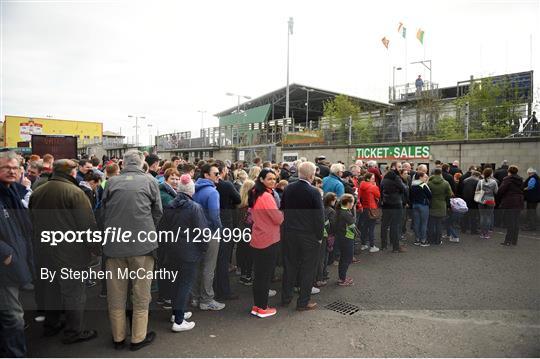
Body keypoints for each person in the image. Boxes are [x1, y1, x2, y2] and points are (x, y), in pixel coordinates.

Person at [29, 159, 99, 345]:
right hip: (71, 252)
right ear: (72, 172)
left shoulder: (38, 191)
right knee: (74, 292)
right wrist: (95, 248)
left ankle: (51, 325)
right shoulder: (75, 193)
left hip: (44, 250)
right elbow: (87, 226)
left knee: (51, 289)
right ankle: (73, 331)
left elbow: (31, 220)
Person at [101, 150, 163, 351]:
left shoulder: (111, 182)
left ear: (123, 163)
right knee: (141, 293)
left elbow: (103, 211)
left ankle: (118, 338)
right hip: (142, 246)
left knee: (116, 294)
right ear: (142, 163)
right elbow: (158, 212)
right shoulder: (150, 181)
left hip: (114, 245)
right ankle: (138, 338)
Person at [158, 174, 207, 332]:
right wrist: (203, 249)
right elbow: (202, 232)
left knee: (175, 283)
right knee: (185, 285)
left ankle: (176, 313)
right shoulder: (195, 207)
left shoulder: (170, 205)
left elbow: (161, 230)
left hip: (171, 251)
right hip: (189, 252)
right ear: (191, 191)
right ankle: (179, 321)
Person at [0, 151, 34, 357]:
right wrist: (5, 253)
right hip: (4, 266)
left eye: (15, 168)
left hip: (14, 263)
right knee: (13, 317)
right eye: (6, 168)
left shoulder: (12, 191)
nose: (11, 171)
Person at [281, 161, 324, 311]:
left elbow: (283, 208)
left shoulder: (288, 188)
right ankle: (303, 302)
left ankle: (285, 297)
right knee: (308, 269)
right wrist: (319, 236)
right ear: (312, 175)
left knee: (290, 265)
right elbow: (319, 217)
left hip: (290, 232)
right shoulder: (314, 192)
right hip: (308, 235)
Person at [248, 168, 283, 318]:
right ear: (261, 179)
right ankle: (262, 307)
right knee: (264, 275)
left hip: (258, 237)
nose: (273, 181)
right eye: (269, 179)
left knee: (259, 275)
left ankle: (257, 306)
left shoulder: (256, 193)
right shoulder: (266, 197)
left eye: (274, 179)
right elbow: (278, 219)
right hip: (268, 239)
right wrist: (282, 213)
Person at [191, 164, 225, 311]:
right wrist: (220, 230)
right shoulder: (212, 192)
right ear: (206, 175)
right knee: (209, 266)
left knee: (197, 265)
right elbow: (214, 215)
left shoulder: (193, 189)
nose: (219, 176)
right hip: (209, 232)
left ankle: (195, 297)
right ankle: (207, 299)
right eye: (216, 173)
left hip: (195, 232)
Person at [214, 160, 241, 301]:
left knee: (211, 259)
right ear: (223, 171)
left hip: (210, 223)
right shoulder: (226, 185)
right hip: (224, 221)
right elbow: (238, 199)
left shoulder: (204, 185)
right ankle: (223, 291)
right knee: (223, 259)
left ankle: (212, 288)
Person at [380, 162, 406, 253]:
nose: (400, 168)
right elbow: (403, 188)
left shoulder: (385, 177)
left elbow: (381, 189)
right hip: (396, 203)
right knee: (395, 225)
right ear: (394, 167)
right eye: (399, 166)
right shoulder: (396, 177)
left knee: (384, 225)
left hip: (386, 203)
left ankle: (384, 245)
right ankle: (395, 246)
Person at [497, 166, 524, 246]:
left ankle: (508, 240)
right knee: (516, 221)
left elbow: (501, 190)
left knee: (510, 222)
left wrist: (499, 198)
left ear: (509, 171)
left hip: (510, 202)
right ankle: (514, 240)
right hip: (519, 201)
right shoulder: (520, 179)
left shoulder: (507, 179)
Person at [334, 194, 356, 286]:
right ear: (348, 203)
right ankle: (342, 279)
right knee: (346, 258)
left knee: (344, 258)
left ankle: (342, 277)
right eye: (352, 203)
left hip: (341, 237)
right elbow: (352, 227)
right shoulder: (346, 213)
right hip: (347, 238)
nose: (353, 205)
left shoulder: (340, 210)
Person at [237, 180, 255, 286]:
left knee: (242, 252)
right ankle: (248, 276)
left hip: (239, 231)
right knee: (249, 255)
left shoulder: (239, 203)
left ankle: (243, 275)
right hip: (249, 230)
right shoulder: (251, 205)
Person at [316, 192, 336, 287]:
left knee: (322, 257)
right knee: (323, 257)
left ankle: (322, 274)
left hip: (321, 236)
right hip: (326, 237)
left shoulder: (322, 209)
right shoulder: (331, 211)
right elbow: (332, 225)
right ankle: (320, 277)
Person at [427, 168, 453, 245]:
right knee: (439, 224)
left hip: (431, 204)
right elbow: (450, 194)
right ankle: (438, 240)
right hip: (442, 204)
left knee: (431, 223)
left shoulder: (429, 183)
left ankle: (431, 239)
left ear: (434, 173)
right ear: (441, 173)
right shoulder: (445, 183)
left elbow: (427, 193)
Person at [358, 173, 380, 252]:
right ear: (368, 179)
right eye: (372, 178)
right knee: (371, 228)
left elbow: (359, 197)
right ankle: (372, 246)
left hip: (364, 207)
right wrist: (375, 185)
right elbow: (378, 195)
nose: (374, 179)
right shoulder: (373, 187)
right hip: (372, 208)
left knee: (364, 227)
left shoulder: (361, 185)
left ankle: (363, 244)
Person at [410, 172, 432, 246]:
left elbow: (410, 196)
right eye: (424, 177)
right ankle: (423, 240)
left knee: (416, 223)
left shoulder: (412, 185)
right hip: (423, 205)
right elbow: (430, 195)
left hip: (414, 205)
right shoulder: (423, 184)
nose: (425, 178)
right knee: (424, 223)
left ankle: (417, 239)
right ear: (420, 177)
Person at [476, 167, 498, 240]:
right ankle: (487, 233)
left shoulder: (480, 181)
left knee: (482, 216)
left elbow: (477, 191)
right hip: (490, 200)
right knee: (488, 217)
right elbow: (496, 192)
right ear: (491, 174)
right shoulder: (494, 182)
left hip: (482, 200)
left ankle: (482, 233)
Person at [461, 171, 481, 235]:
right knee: (474, 216)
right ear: (477, 175)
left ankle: (463, 229)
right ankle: (473, 230)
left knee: (465, 215)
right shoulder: (478, 181)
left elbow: (461, 189)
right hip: (474, 200)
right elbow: (479, 192)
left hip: (465, 199)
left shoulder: (465, 180)